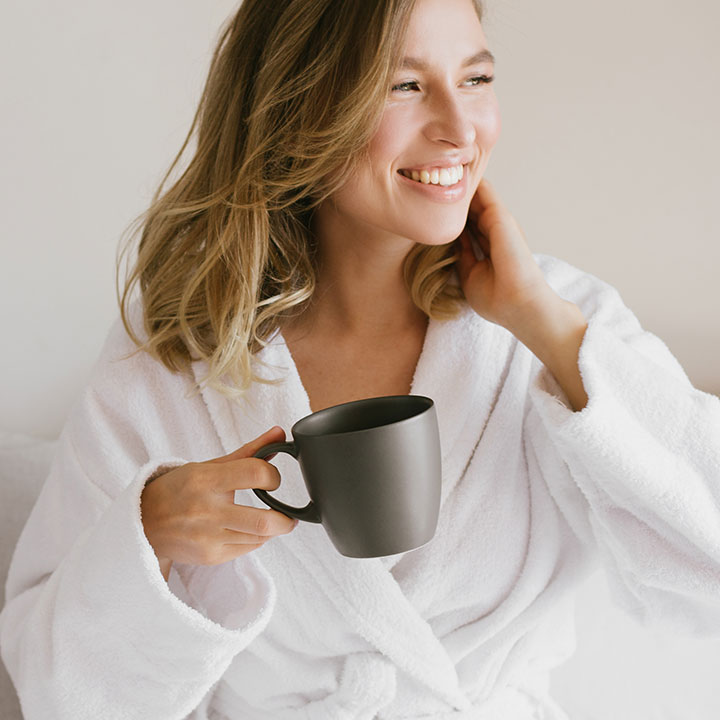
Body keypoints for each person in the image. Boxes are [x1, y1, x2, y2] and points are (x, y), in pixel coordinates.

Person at [1, 0, 719, 717]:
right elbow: (58, 696)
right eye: (403, 85)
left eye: (476, 78)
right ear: (299, 106)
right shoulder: (170, 360)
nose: (460, 128)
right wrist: (149, 534)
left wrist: (548, 330)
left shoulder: (558, 326)